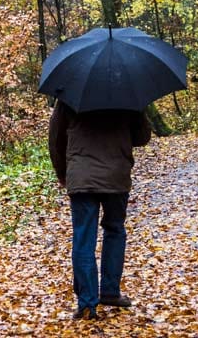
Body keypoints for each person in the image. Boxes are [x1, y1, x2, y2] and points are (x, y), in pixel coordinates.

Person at [48, 101, 151, 320]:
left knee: (84, 238)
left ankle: (87, 303)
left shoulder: (70, 94)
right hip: (116, 175)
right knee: (114, 231)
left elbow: (56, 138)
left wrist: (62, 172)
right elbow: (142, 137)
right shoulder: (128, 94)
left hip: (81, 177)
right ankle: (110, 292)